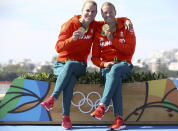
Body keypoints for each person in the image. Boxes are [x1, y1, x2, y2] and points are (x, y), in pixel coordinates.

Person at [40, 0, 132, 129]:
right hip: (61, 65)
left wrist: (126, 19)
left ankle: (52, 99)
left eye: (93, 11)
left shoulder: (95, 26)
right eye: (88, 10)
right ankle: (65, 118)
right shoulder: (69, 25)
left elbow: (111, 19)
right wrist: (73, 39)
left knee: (72, 65)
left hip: (79, 65)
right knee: (70, 79)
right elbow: (58, 48)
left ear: (96, 14)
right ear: (82, 11)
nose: (90, 13)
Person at [90, 2, 136, 130]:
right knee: (114, 77)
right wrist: (104, 64)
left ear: (115, 13)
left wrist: (113, 40)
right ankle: (119, 120)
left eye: (110, 12)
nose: (108, 14)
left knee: (116, 69)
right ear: (102, 15)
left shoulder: (126, 27)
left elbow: (129, 51)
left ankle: (102, 106)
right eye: (105, 12)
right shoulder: (99, 31)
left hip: (124, 65)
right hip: (106, 69)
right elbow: (94, 58)